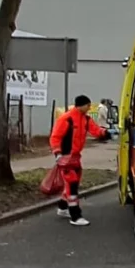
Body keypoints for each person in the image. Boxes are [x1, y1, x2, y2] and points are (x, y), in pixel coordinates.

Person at [50, 95, 111, 226]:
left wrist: (105, 133)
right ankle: (75, 216)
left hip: (75, 157)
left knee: (74, 182)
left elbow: (95, 130)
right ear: (81, 105)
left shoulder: (85, 119)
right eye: (88, 105)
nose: (90, 108)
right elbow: (55, 137)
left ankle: (62, 207)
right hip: (66, 157)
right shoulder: (67, 119)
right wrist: (58, 153)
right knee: (72, 184)